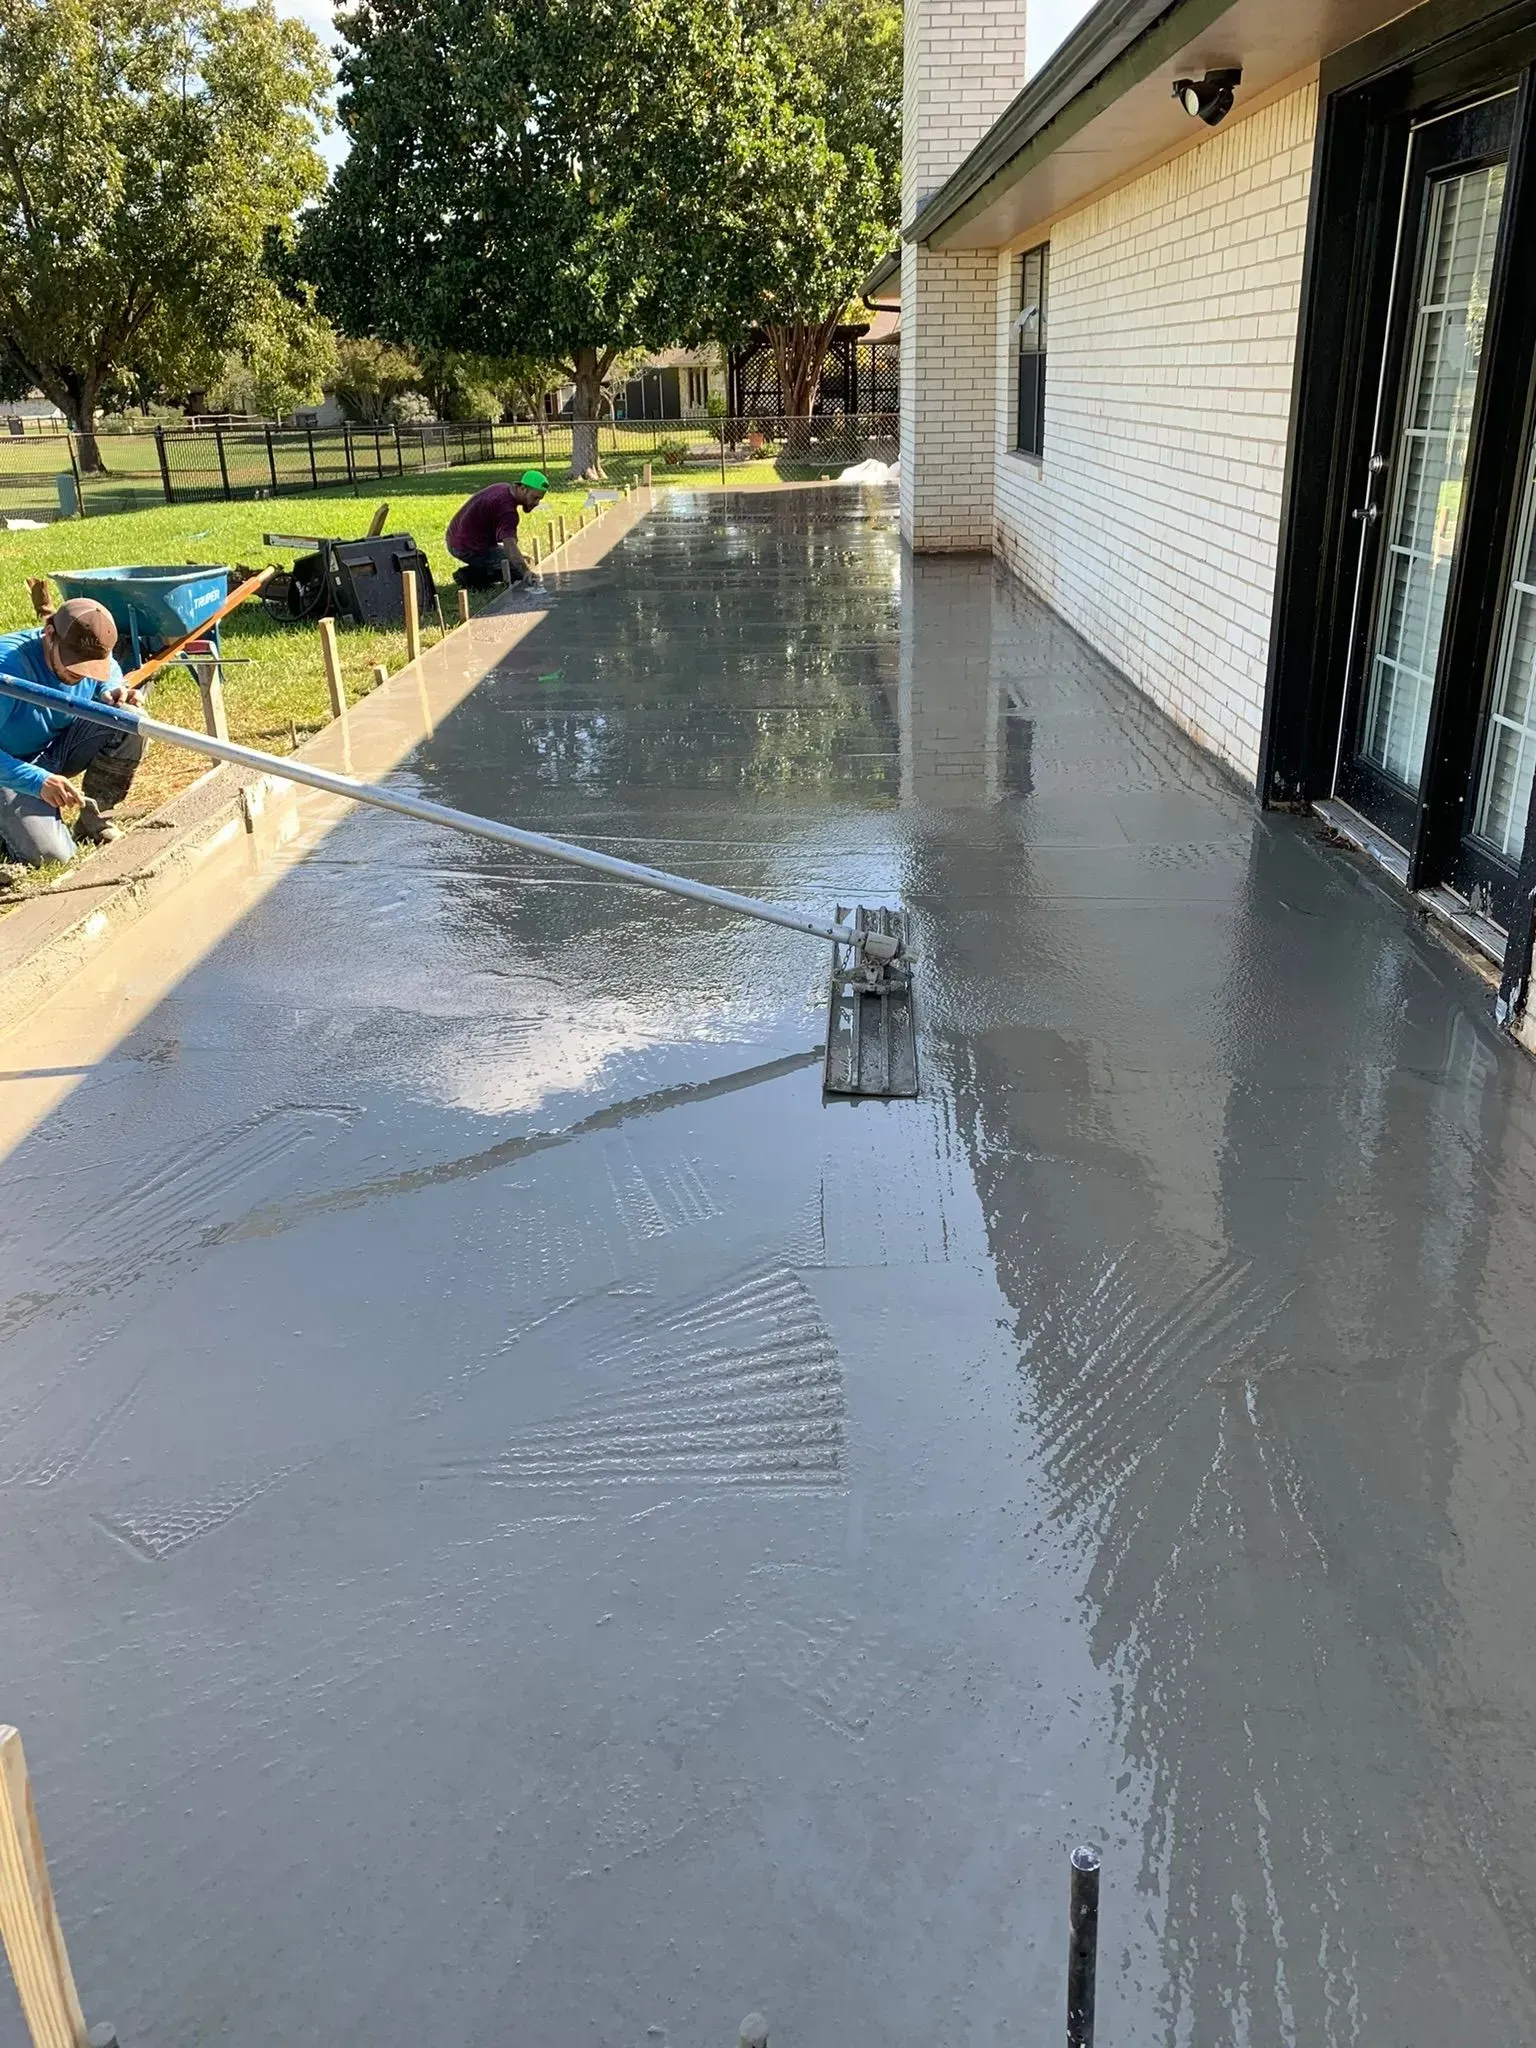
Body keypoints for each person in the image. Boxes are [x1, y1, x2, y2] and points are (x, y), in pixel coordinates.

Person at [0, 598, 146, 866]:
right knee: (55, 858)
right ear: (50, 633)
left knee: (127, 718)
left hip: (54, 748)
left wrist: (110, 689)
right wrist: (37, 781)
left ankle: (94, 821)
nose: (80, 674)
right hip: (8, 771)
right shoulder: (8, 668)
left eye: (90, 667)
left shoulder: (91, 650)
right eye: (74, 664)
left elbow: (111, 667)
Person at [446, 470, 549, 589]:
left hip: (458, 538)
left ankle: (478, 570)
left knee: (524, 561)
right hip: (465, 547)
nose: (536, 503)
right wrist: (525, 571)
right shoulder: (507, 510)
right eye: (534, 497)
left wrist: (519, 558)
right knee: (518, 573)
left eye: (539, 499)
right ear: (523, 489)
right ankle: (469, 576)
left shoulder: (504, 488)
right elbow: (509, 544)